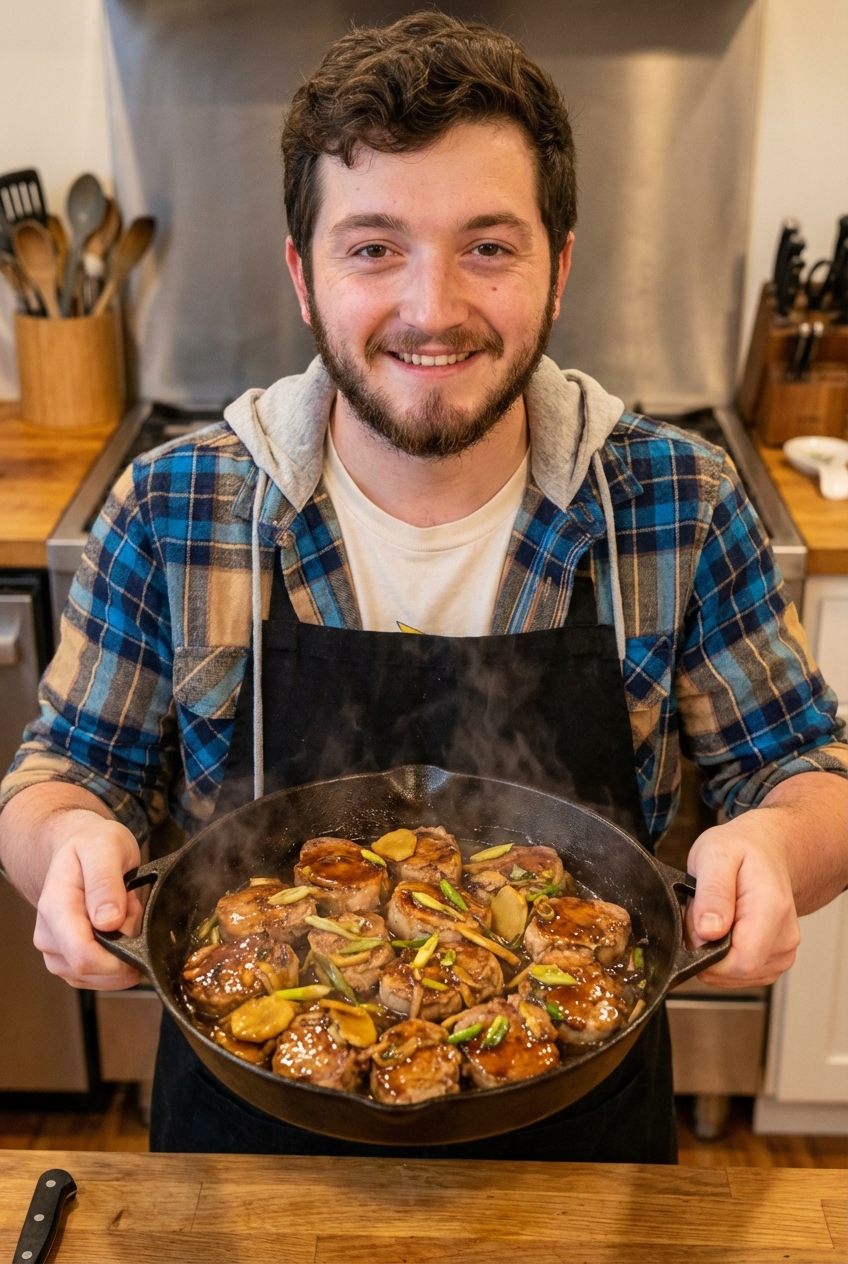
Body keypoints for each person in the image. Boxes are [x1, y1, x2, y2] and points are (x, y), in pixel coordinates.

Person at [1, 12, 845, 1162]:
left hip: (576, 1132)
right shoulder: (177, 506)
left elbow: (807, 773)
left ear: (558, 269)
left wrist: (774, 851)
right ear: (303, 274)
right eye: (373, 247)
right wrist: (65, 853)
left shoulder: (672, 501)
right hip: (251, 1139)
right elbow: (59, 778)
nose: (430, 306)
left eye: (488, 247)